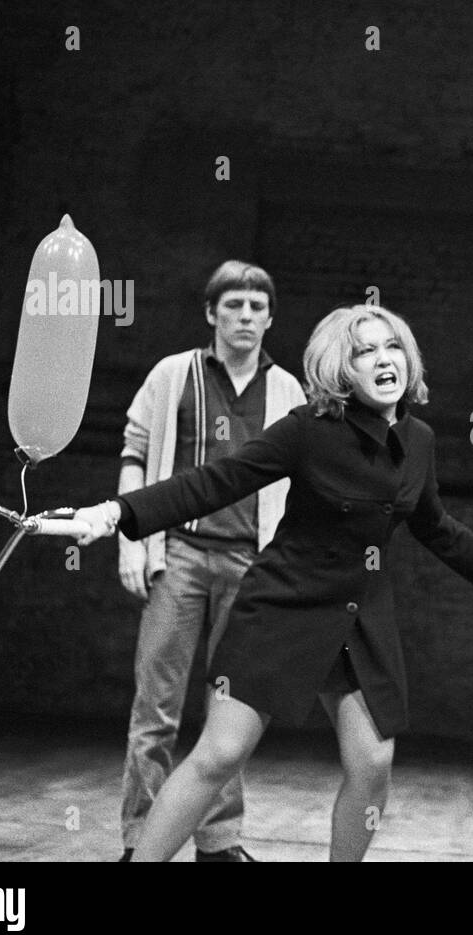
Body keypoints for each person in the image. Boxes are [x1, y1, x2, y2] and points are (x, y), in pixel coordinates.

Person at [75, 303, 473, 862]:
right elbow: (216, 482)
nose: (382, 359)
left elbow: (432, 523)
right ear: (340, 369)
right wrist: (116, 514)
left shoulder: (419, 439)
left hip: (359, 619)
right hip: (284, 605)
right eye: (364, 351)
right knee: (220, 754)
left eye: (391, 346)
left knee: (373, 765)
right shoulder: (309, 430)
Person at [117, 260, 305, 863]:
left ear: (270, 318)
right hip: (180, 556)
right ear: (211, 313)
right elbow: (136, 452)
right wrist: (130, 538)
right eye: (234, 306)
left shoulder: (289, 391)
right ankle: (140, 841)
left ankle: (220, 843)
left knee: (230, 712)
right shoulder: (175, 374)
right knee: (156, 709)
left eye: (256, 307)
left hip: (253, 566)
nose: (245, 316)